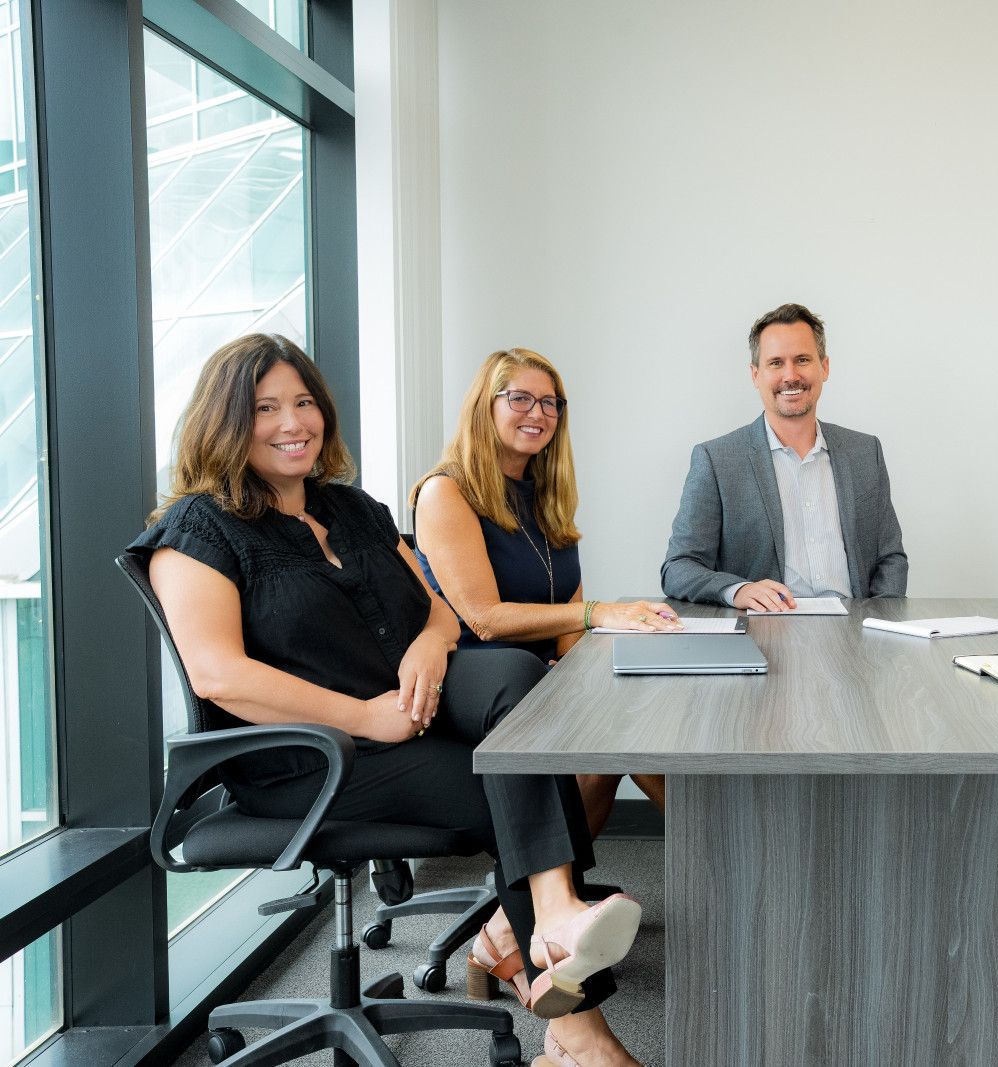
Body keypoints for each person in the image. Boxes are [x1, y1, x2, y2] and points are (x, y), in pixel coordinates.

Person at [132, 335, 644, 1067]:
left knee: (517, 686)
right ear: (225, 421)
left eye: (304, 402)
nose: (292, 422)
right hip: (312, 755)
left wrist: (429, 643)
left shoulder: (352, 508)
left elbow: (437, 603)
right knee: (498, 777)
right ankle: (576, 1029)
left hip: (405, 705)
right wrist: (362, 715)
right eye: (267, 407)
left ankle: (546, 917)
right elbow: (220, 675)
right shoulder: (198, 529)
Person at [412, 347, 677, 835]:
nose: (539, 413)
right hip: (480, 682)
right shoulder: (445, 493)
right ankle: (729, 860)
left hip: (541, 674)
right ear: (484, 406)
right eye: (520, 399)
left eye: (551, 403)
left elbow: (569, 607)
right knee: (624, 731)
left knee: (637, 714)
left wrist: (577, 667)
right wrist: (600, 615)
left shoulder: (545, 494)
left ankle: (554, 894)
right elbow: (484, 619)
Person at [661, 302, 908, 608]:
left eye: (802, 359)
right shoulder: (716, 460)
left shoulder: (864, 453)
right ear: (755, 374)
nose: (790, 375)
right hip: (764, 635)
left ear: (824, 367)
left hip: (854, 634)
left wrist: (879, 627)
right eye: (776, 363)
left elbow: (890, 559)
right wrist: (738, 590)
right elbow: (678, 568)